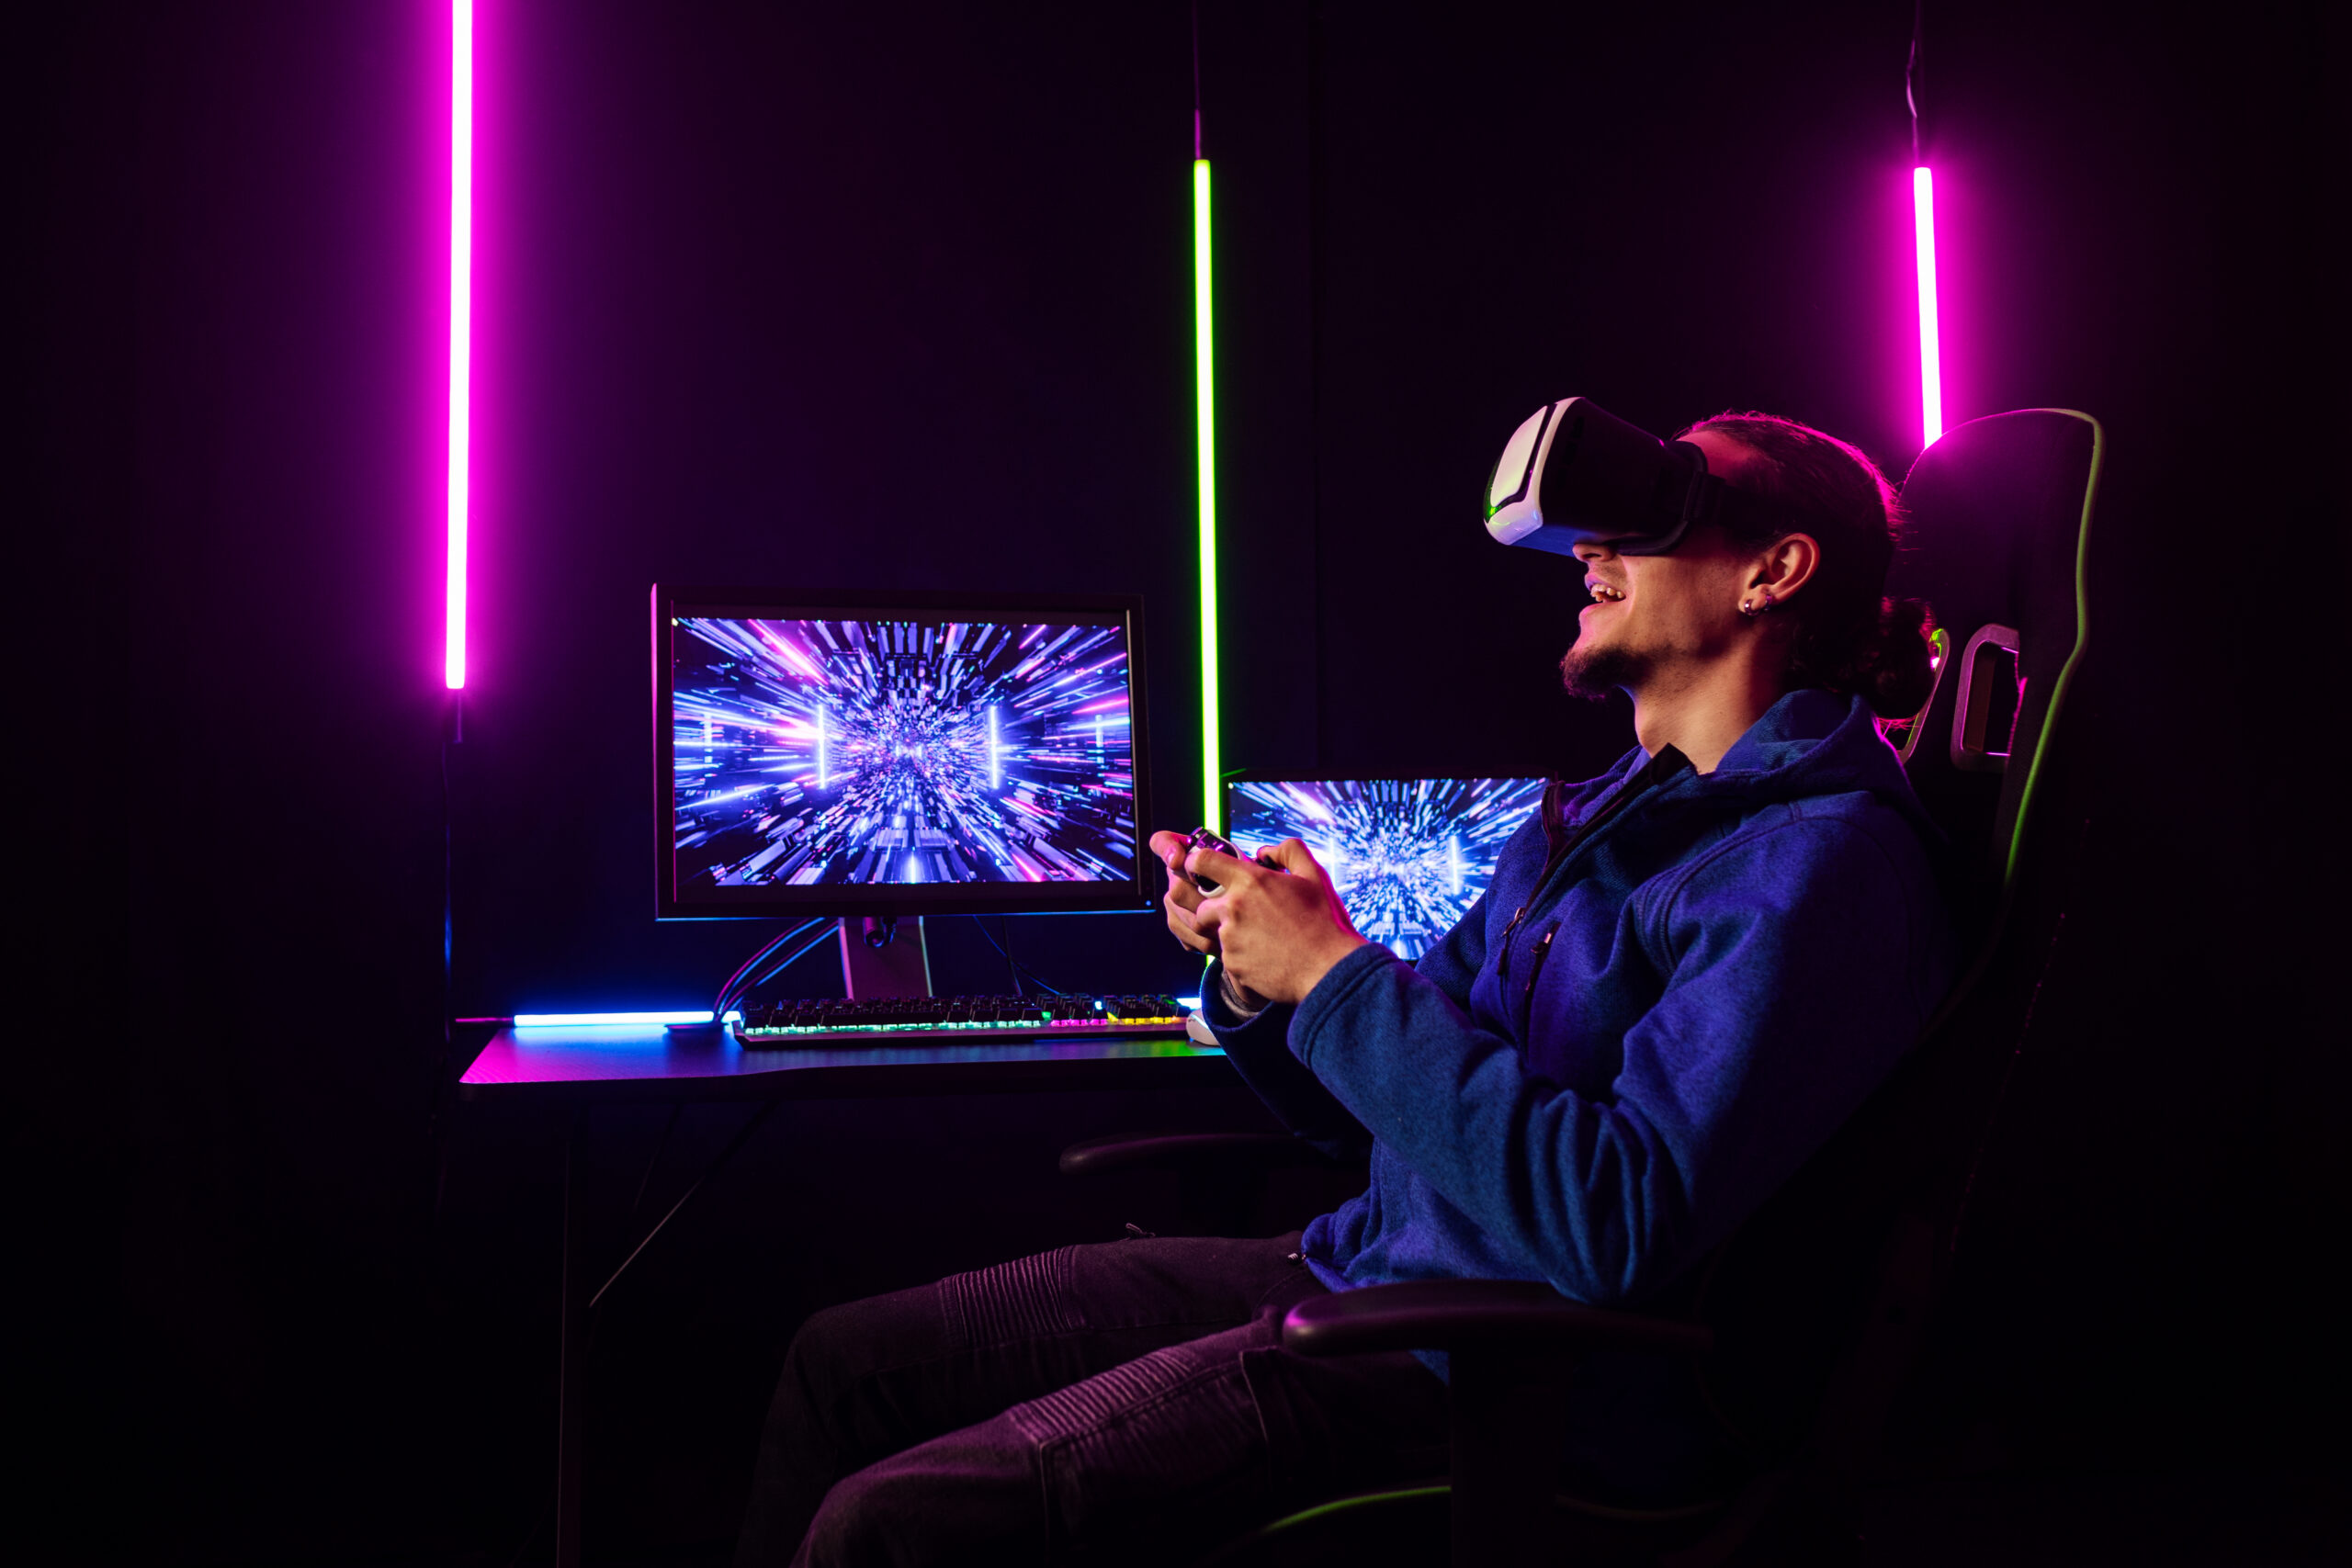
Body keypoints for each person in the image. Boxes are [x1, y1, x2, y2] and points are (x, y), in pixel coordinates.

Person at [732, 412, 1958, 1567]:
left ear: (1774, 572)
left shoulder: (1817, 866)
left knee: (879, 1531)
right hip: (1365, 1266)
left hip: (1506, 1379)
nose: (1588, 546)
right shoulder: (1576, 827)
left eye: (1659, 507)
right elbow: (1370, 1110)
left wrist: (1339, 972)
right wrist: (1264, 982)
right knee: (843, 1365)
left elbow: (1614, 1225)